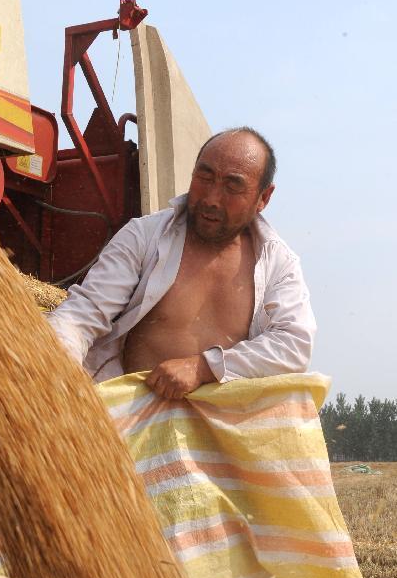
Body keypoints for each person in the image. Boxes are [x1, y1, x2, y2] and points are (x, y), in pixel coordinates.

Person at [46, 127, 316, 399]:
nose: (211, 199)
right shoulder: (143, 236)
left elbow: (294, 344)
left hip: (224, 429)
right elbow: (83, 313)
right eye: (204, 177)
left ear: (264, 198)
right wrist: (57, 362)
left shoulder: (278, 264)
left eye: (233, 186)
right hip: (133, 418)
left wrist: (203, 368)